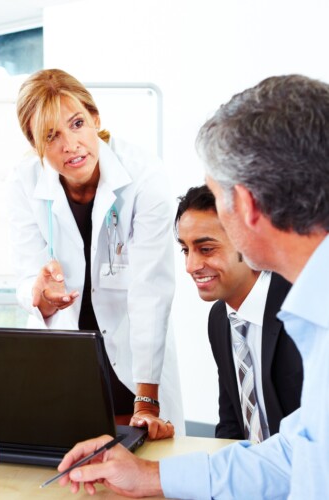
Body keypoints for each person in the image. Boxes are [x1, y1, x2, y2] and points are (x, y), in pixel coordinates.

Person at [57, 74, 329, 498]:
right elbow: (298, 455)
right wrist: (149, 477)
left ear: (247, 205)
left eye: (218, 196)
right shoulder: (313, 309)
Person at [7, 68, 184, 438]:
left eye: (76, 124)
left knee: (139, 467)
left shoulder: (144, 176)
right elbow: (25, 275)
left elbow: (150, 288)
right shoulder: (25, 180)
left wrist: (147, 398)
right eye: (50, 136)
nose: (70, 145)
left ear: (95, 118)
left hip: (134, 353)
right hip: (66, 354)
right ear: (35, 143)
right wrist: (40, 296)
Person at [175, 184, 303, 441]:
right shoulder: (220, 319)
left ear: (247, 241)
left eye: (206, 249)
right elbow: (231, 426)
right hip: (253, 473)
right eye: (185, 250)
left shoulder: (298, 307)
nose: (190, 266)